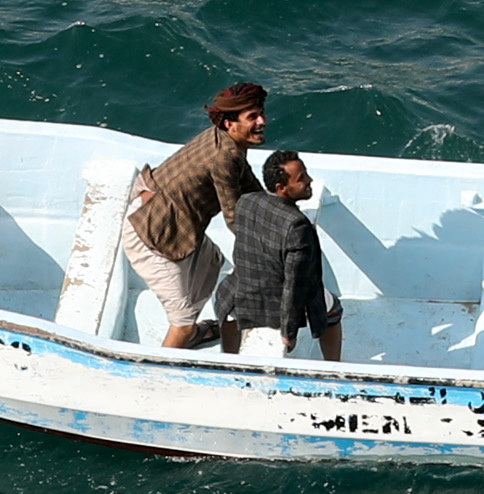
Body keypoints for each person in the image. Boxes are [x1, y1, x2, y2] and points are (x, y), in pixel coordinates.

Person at [126, 82, 272, 350]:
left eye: (261, 113)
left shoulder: (225, 140)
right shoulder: (224, 156)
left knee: (211, 262)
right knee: (180, 324)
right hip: (151, 233)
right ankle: (160, 371)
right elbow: (233, 215)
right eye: (253, 117)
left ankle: (191, 333)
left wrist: (277, 215)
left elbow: (247, 183)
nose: (262, 121)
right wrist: (268, 253)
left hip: (165, 215)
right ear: (230, 123)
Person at [212, 149, 343, 363]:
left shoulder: (246, 201)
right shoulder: (298, 225)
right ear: (282, 188)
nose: (309, 180)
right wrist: (288, 332)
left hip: (241, 290)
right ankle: (334, 365)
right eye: (301, 178)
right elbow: (294, 285)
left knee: (228, 313)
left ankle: (228, 359)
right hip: (272, 303)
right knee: (333, 310)